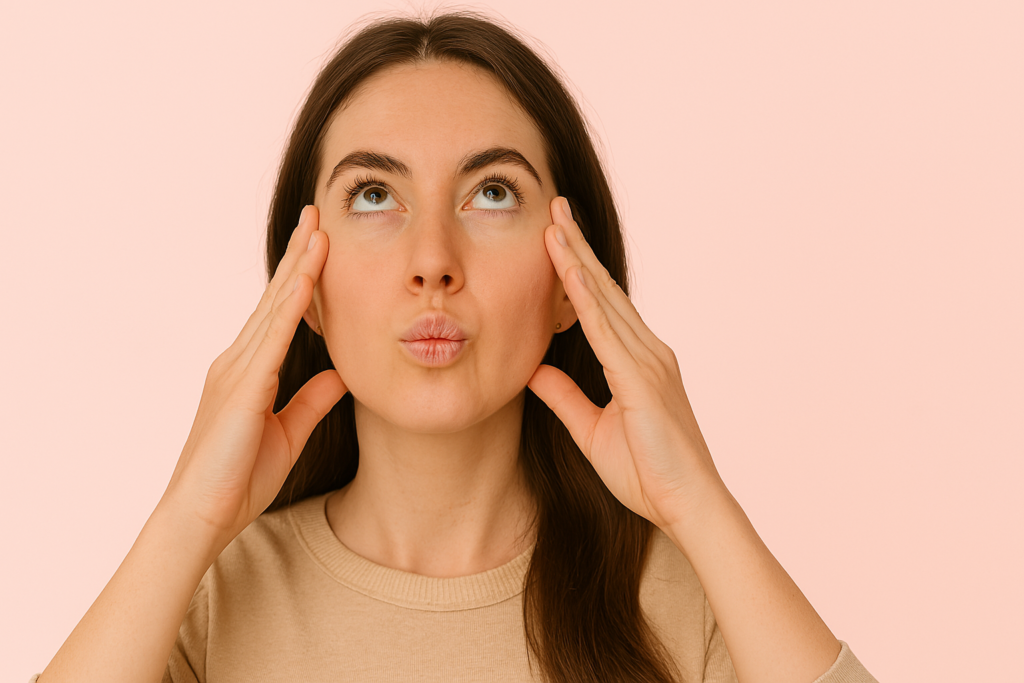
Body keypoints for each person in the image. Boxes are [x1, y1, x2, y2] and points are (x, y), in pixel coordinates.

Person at [32, 11, 879, 683]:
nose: (433, 261)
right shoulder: (205, 599)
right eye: (374, 195)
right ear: (306, 284)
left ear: (569, 278)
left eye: (492, 192)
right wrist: (186, 517)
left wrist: (698, 501)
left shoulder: (691, 602)